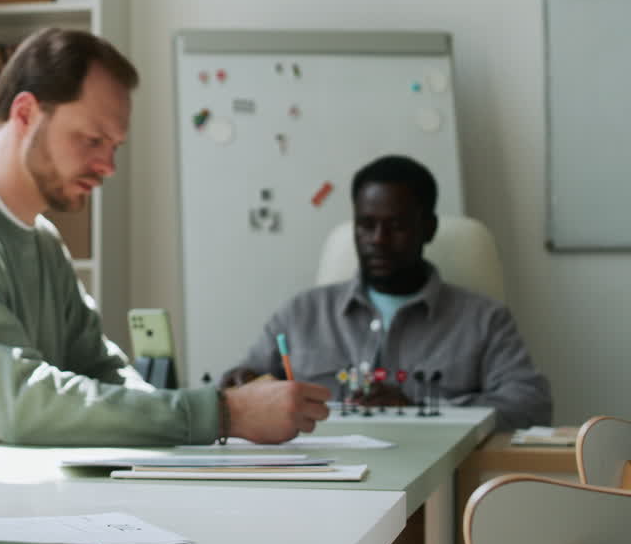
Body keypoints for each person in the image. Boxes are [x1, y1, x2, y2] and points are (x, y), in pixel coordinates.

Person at [0, 27, 330, 459]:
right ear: (25, 113)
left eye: (115, 146)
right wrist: (223, 413)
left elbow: (102, 372)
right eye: (93, 139)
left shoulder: (41, 242)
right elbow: (21, 404)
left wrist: (196, 429)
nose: (108, 166)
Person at [223, 155, 552, 430]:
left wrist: (418, 408)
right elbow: (242, 388)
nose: (377, 240)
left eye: (396, 227)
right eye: (366, 225)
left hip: (435, 494)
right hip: (321, 482)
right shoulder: (301, 314)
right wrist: (241, 387)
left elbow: (531, 406)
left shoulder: (484, 320)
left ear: (428, 228)